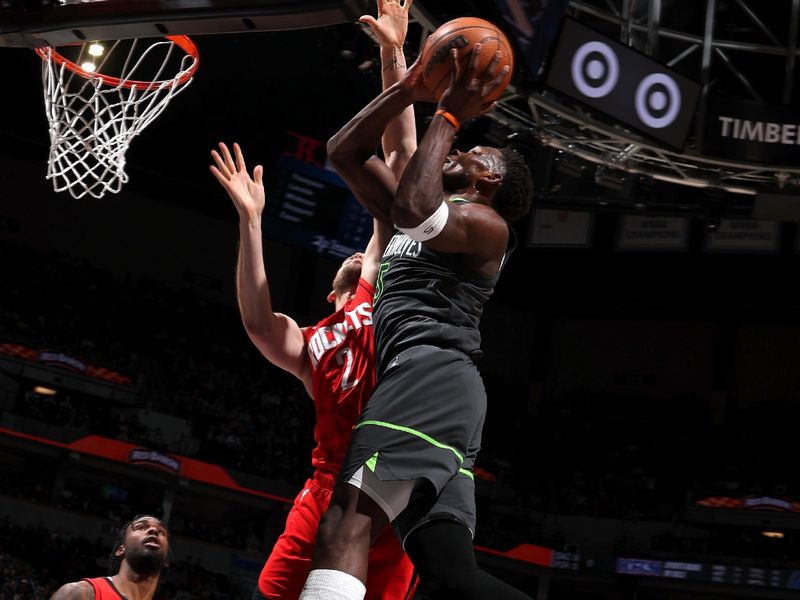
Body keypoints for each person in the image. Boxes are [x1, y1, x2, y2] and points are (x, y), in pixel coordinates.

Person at [299, 41, 535, 600]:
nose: (464, 151)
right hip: (441, 392)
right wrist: (407, 89)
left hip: (428, 376)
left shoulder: (486, 225)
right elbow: (345, 152)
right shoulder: (425, 216)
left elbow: (412, 209)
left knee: (344, 526)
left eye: (479, 155)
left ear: (492, 181)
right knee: (451, 575)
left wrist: (450, 115)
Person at [209, 3, 419, 599]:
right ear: (332, 290)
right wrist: (251, 221)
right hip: (326, 486)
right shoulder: (316, 344)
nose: (361, 251)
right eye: (351, 258)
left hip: (392, 482)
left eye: (367, 250)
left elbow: (401, 163)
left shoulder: (381, 288)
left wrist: (392, 54)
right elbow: (256, 319)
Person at [50, 514, 170, 600]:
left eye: (161, 532)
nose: (153, 530)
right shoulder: (80, 594)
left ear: (166, 559)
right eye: (141, 527)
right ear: (120, 549)